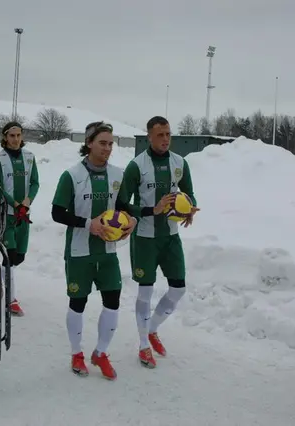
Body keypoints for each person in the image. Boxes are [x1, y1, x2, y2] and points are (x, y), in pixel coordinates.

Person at [51, 121, 137, 380]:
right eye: (103, 143)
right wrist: (87, 224)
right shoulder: (71, 175)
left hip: (108, 251)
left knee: (113, 302)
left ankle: (100, 353)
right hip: (79, 252)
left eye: (111, 143)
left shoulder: (117, 175)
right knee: (78, 302)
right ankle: (77, 353)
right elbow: (57, 213)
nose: (108, 148)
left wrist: (131, 219)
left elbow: (123, 205)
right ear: (89, 143)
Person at [118, 116, 198, 369]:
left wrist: (189, 208)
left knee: (178, 288)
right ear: (149, 137)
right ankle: (143, 345)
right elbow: (122, 203)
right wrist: (151, 210)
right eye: (160, 135)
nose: (165, 139)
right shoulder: (136, 166)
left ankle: (152, 329)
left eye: (168, 134)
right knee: (145, 291)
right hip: (145, 239)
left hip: (171, 237)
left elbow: (189, 193)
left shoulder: (179, 162)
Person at [0, 121, 40, 316]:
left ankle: (1, 286)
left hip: (24, 215)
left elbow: (35, 182)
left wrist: (27, 201)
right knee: (9, 258)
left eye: (19, 135)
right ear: (5, 137)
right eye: (12, 136)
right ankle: (10, 300)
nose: (16, 139)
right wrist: (14, 203)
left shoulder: (29, 157)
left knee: (18, 257)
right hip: (7, 216)